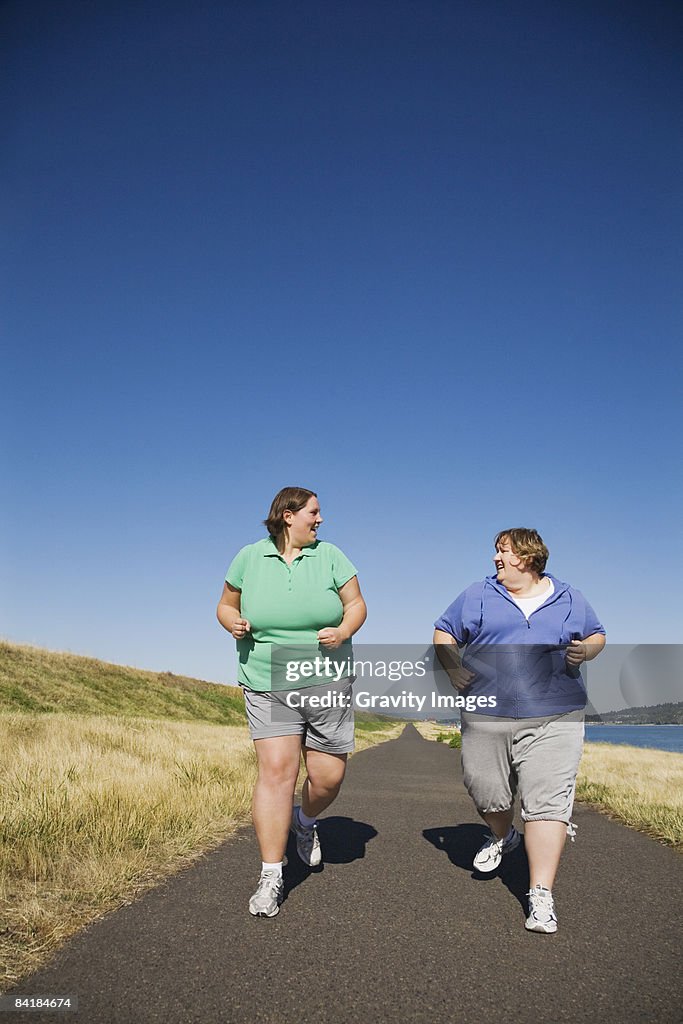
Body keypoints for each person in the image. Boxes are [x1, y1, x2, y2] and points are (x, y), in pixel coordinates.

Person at [433, 528, 605, 934]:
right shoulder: (477, 594)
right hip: (487, 712)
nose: (496, 558)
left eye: (504, 551)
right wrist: (453, 667)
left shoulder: (569, 598)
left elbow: (597, 634)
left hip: (555, 713)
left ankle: (540, 894)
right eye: (496, 551)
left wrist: (587, 650)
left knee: (547, 801)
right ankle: (502, 834)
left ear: (527, 557)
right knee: (485, 788)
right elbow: (444, 633)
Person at [217, 486, 367, 918]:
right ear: (288, 515)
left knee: (327, 777)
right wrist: (234, 622)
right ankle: (270, 873)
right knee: (276, 772)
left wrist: (342, 632)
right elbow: (225, 605)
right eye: (314, 513)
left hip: (326, 676)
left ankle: (304, 821)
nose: (320, 520)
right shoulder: (249, 557)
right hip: (266, 677)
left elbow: (356, 604)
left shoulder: (331, 556)